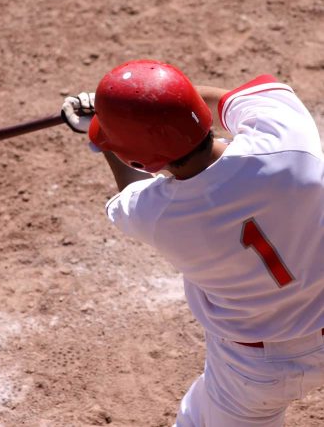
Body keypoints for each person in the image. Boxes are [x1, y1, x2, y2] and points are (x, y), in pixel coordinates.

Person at [61, 59, 324, 427]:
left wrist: (104, 130)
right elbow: (226, 99)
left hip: (256, 372)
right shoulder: (285, 139)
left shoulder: (154, 215)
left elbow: (133, 180)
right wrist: (149, 102)